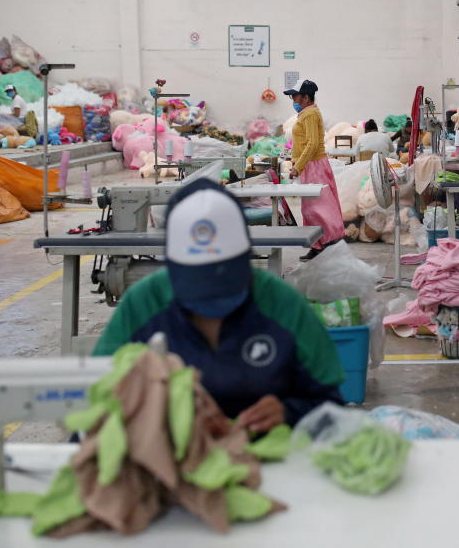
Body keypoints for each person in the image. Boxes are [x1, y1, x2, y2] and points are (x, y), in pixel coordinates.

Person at [93, 178, 345, 432]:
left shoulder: (282, 306)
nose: (212, 303)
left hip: (268, 463)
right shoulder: (144, 305)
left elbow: (332, 406)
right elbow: (96, 404)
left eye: (223, 281)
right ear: (171, 266)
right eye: (198, 284)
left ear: (246, 259)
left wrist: (289, 412)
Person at [283, 78, 345, 261]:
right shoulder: (306, 113)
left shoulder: (310, 114)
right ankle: (318, 245)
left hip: (314, 165)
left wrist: (298, 167)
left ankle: (328, 244)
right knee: (311, 208)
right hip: (310, 164)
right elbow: (305, 142)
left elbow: (313, 143)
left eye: (295, 96)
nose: (293, 100)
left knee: (319, 208)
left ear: (306, 97)